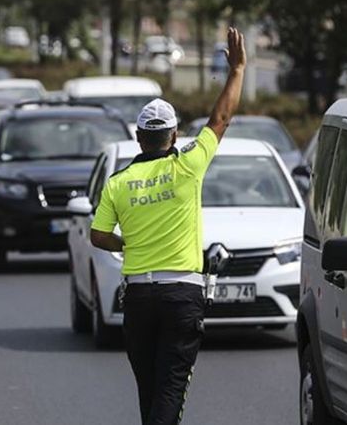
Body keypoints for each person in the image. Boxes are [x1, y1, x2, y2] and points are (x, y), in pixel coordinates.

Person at [90, 27, 246, 425]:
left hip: (139, 298)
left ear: (138, 137)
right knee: (170, 391)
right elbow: (221, 118)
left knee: (150, 392)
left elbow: (98, 235)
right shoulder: (188, 166)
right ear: (174, 136)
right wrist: (237, 71)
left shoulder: (118, 182)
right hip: (181, 296)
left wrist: (126, 243)